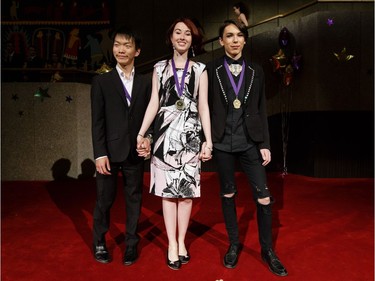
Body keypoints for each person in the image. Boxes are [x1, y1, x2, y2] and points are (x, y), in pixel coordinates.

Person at [206, 20, 288, 276]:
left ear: (244, 40)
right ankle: (233, 244)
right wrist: (206, 140)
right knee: (228, 194)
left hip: (250, 141)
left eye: (239, 35)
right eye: (229, 36)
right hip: (222, 142)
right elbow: (204, 108)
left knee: (263, 197)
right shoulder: (210, 70)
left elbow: (261, 108)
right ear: (221, 41)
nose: (234, 40)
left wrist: (264, 143)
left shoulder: (256, 71)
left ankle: (268, 250)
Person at [136, 17, 212, 270]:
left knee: (187, 195)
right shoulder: (159, 68)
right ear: (170, 37)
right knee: (168, 196)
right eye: (177, 32)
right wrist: (142, 132)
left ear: (193, 40)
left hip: (191, 139)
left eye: (187, 33)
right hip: (165, 139)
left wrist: (208, 141)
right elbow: (154, 103)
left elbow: (203, 106)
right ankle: (171, 243)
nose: (182, 37)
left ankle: (182, 241)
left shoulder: (200, 70)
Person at [91, 26, 151, 266]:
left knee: (134, 199)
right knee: (104, 199)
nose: (121, 50)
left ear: (137, 51)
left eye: (127, 45)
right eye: (117, 45)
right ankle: (99, 242)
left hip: (135, 152)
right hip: (109, 153)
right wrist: (99, 154)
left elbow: (152, 117)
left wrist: (149, 138)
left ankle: (131, 244)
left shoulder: (147, 83)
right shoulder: (101, 82)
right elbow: (97, 121)